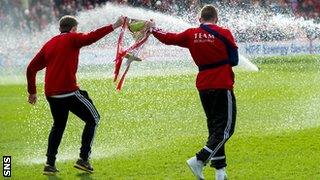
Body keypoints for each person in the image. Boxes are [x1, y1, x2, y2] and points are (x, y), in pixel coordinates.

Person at [26, 15, 125, 175]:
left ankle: (49, 164)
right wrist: (114, 26)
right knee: (94, 119)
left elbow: (31, 68)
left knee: (58, 126)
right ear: (73, 29)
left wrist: (32, 92)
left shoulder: (49, 43)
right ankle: (83, 160)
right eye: (76, 30)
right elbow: (92, 36)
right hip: (68, 92)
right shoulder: (72, 38)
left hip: (51, 94)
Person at [149, 5, 237, 180]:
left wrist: (153, 29)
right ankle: (199, 159)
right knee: (226, 130)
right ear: (216, 18)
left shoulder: (190, 34)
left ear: (200, 19)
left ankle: (220, 172)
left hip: (204, 86)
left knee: (215, 129)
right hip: (221, 84)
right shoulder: (224, 32)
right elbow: (234, 60)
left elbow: (168, 38)